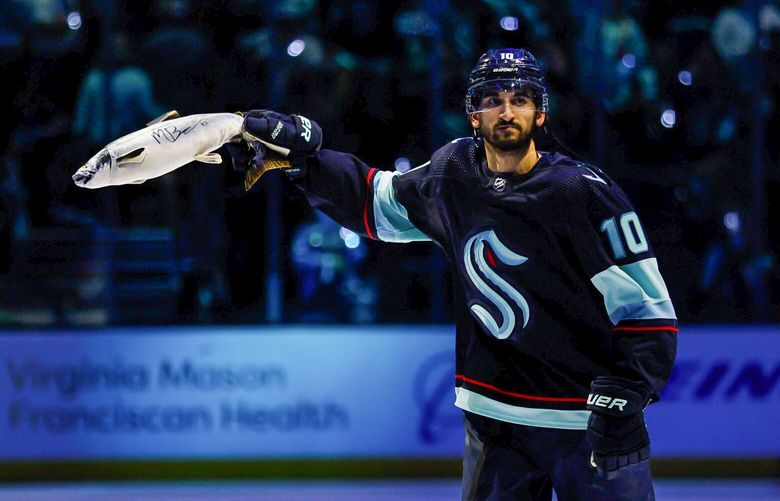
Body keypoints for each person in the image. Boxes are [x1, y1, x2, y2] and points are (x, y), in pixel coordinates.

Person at [233, 48, 679, 500]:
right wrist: (306, 162)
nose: (506, 111)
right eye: (493, 99)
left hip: (585, 425)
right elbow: (374, 201)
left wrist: (629, 390)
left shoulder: (581, 192)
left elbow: (648, 308)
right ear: (473, 113)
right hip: (494, 421)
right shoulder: (454, 173)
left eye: (521, 99)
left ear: (541, 113)